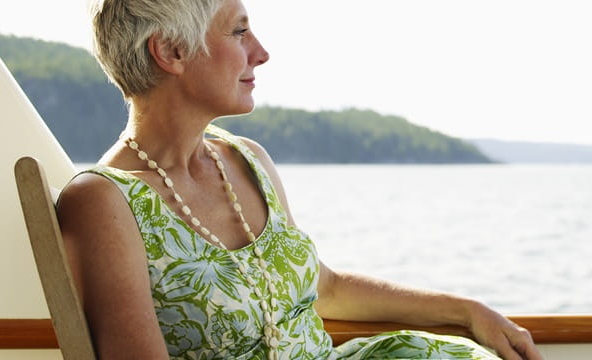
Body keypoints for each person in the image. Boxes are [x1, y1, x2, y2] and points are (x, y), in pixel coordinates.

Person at [56, 0, 542, 359]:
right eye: (239, 32)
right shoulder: (104, 199)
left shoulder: (246, 159)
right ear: (170, 51)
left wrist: (466, 311)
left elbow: (322, 287)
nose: (261, 52)